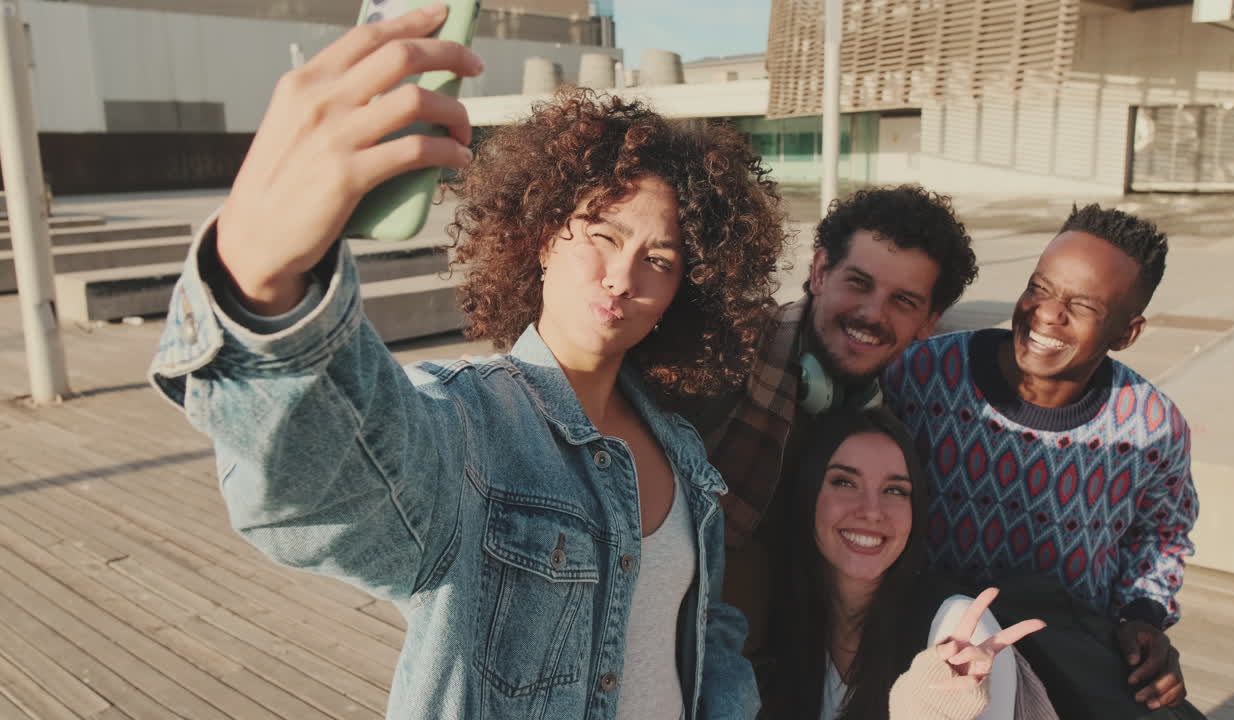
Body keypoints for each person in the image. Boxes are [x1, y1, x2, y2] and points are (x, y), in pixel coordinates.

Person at [147, 7, 787, 719]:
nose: (621, 276)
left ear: (679, 295)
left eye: (659, 260)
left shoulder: (682, 449)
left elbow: (702, 628)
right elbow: (323, 495)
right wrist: (261, 285)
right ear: (544, 238)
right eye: (601, 235)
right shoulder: (470, 426)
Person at [881, 205, 1199, 711]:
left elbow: (1162, 536)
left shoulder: (1152, 426)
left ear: (1126, 332)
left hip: (1066, 652)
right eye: (1040, 287)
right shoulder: (921, 374)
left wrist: (1143, 617)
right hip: (925, 639)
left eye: (1083, 306)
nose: (1048, 313)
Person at [688, 185, 980, 648]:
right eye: (858, 283)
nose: (871, 314)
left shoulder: (888, 420)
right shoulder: (717, 359)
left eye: (903, 301)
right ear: (820, 271)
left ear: (929, 322)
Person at [759, 408, 1057, 720]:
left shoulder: (958, 635)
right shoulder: (782, 625)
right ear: (808, 496)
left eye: (894, 490)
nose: (872, 511)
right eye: (845, 482)